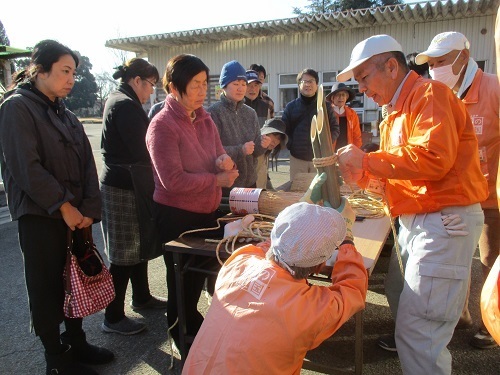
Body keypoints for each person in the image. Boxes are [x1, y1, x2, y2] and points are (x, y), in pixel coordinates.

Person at [336, 34, 488, 375]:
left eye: (363, 78)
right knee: (419, 330)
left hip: (442, 222)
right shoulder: (399, 110)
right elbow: (404, 173)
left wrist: (367, 161)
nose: (361, 88)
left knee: (420, 333)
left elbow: (433, 158)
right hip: (427, 221)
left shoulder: (429, 95)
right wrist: (360, 175)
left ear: (391, 66)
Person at [0, 39, 114, 375]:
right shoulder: (16, 107)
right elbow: (26, 167)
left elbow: (87, 167)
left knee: (73, 278)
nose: (71, 79)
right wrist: (64, 206)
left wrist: (90, 208)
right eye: (65, 71)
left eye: (74, 73)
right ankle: (56, 358)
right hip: (41, 215)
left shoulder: (65, 113)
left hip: (76, 216)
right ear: (40, 69)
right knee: (46, 283)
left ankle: (76, 342)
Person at [183, 187, 368, 374]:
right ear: (320, 264)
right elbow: (353, 290)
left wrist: (299, 212)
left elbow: (267, 246)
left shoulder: (239, 263)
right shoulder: (310, 309)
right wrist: (347, 242)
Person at [145, 54, 238, 354]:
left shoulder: (204, 117)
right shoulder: (162, 125)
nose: (201, 91)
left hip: (205, 211)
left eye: (204, 84)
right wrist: (216, 181)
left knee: (198, 277)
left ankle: (194, 328)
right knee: (181, 284)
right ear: (174, 87)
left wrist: (222, 159)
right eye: (195, 85)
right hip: (176, 216)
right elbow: (172, 180)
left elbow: (216, 151)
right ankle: (181, 336)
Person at [416, 31, 500, 349]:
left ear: (463, 57)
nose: (435, 69)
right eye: (432, 64)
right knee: (456, 259)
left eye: (441, 62)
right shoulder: (441, 93)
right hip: (455, 194)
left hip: (490, 194)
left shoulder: (493, 88)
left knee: (490, 258)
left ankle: (491, 323)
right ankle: (460, 314)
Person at [100, 58, 167, 336]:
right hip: (122, 187)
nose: (151, 91)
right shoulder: (124, 105)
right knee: (124, 252)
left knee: (138, 244)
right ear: (136, 80)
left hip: (131, 184)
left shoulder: (123, 100)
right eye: (151, 85)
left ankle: (141, 297)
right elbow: (144, 148)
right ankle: (113, 317)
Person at [207, 60, 270, 196]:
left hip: (250, 183)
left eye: (243, 84)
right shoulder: (214, 113)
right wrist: (240, 150)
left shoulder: (250, 112)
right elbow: (211, 151)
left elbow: (255, 151)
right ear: (224, 86)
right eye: (235, 84)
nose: (241, 88)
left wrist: (263, 144)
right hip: (227, 186)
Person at [281, 68, 340, 181]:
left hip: (319, 159)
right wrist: (291, 145)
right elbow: (284, 130)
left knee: (318, 194)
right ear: (299, 85)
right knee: (297, 192)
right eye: (304, 81)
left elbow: (335, 128)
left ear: (317, 84)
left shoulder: (326, 106)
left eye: (311, 81)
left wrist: (326, 145)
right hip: (297, 159)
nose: (308, 84)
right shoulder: (291, 107)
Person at [325, 82, 362, 151]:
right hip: (330, 152)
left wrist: (356, 151)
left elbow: (357, 136)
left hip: (347, 152)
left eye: (343, 95)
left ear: (346, 98)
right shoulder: (327, 113)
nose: (341, 98)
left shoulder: (352, 114)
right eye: (338, 95)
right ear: (332, 98)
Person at [256, 118, 288, 190]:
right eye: (274, 136)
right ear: (265, 134)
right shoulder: (253, 148)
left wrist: (273, 192)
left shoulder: (266, 153)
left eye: (279, 139)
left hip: (260, 194)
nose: (275, 142)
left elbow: (264, 176)